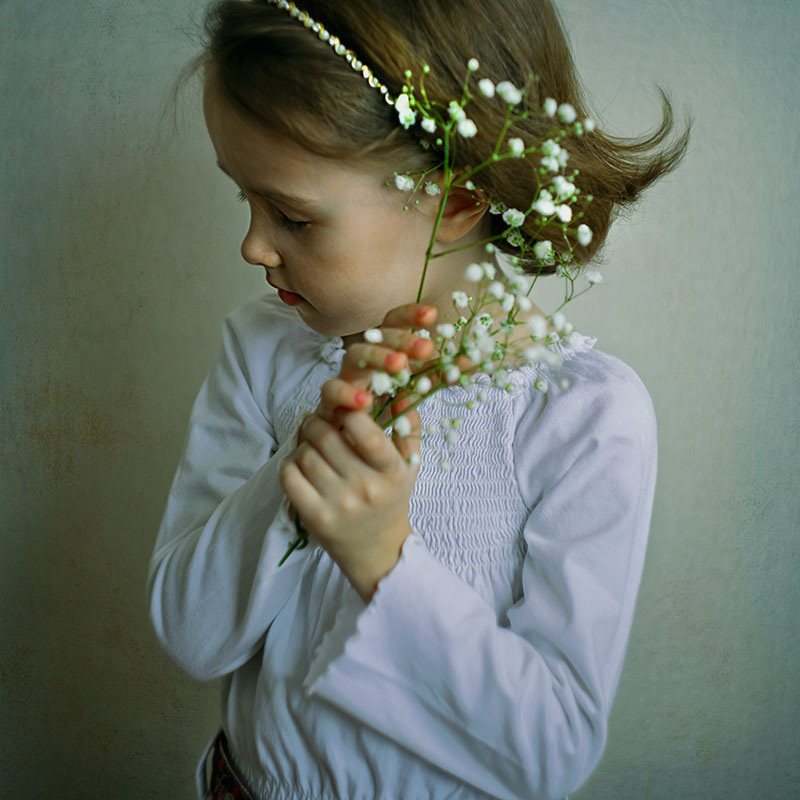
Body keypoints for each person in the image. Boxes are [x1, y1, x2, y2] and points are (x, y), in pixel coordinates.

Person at [147, 1, 689, 797]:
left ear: (458, 199)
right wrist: (307, 457)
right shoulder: (263, 349)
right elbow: (190, 636)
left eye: (293, 216)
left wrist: (381, 557)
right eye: (245, 201)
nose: (253, 246)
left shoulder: (582, 418)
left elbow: (550, 752)